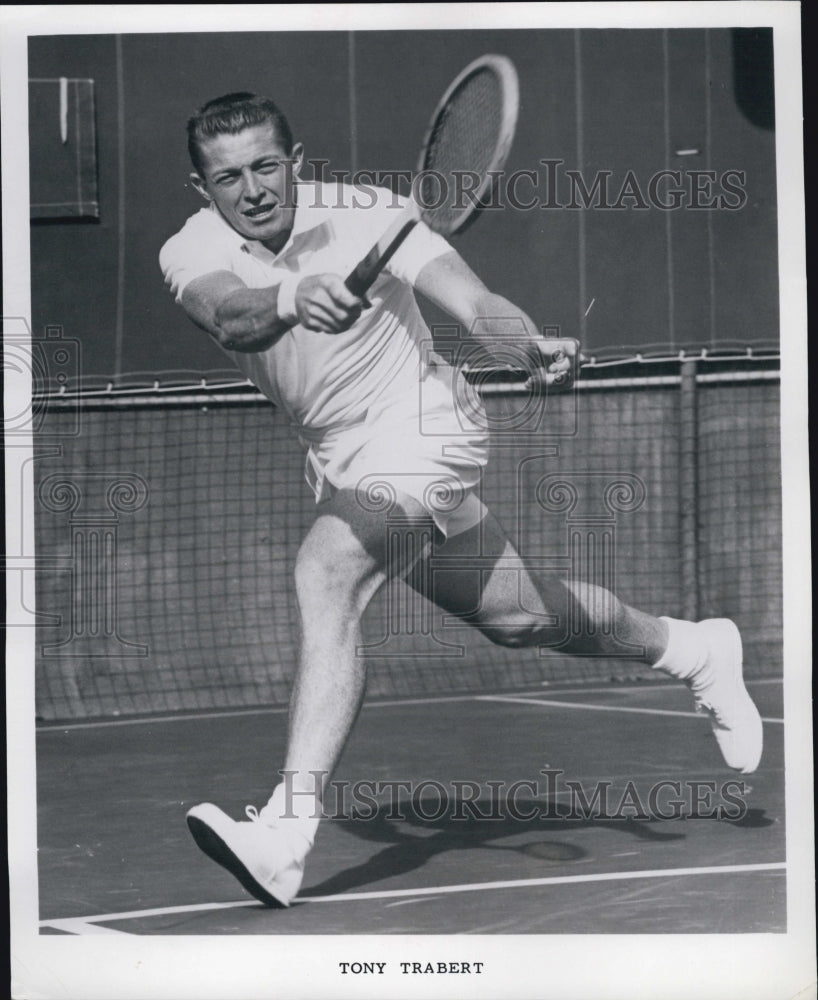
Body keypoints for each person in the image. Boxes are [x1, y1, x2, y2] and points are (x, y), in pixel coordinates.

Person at [159, 92, 763, 908]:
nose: (254, 189)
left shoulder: (376, 214)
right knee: (522, 618)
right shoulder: (191, 248)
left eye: (268, 165)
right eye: (229, 177)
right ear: (204, 190)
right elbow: (228, 317)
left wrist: (529, 346)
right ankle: (693, 649)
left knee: (327, 569)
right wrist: (287, 300)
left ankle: (284, 834)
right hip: (341, 457)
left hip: (425, 428)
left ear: (297, 163)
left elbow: (477, 305)